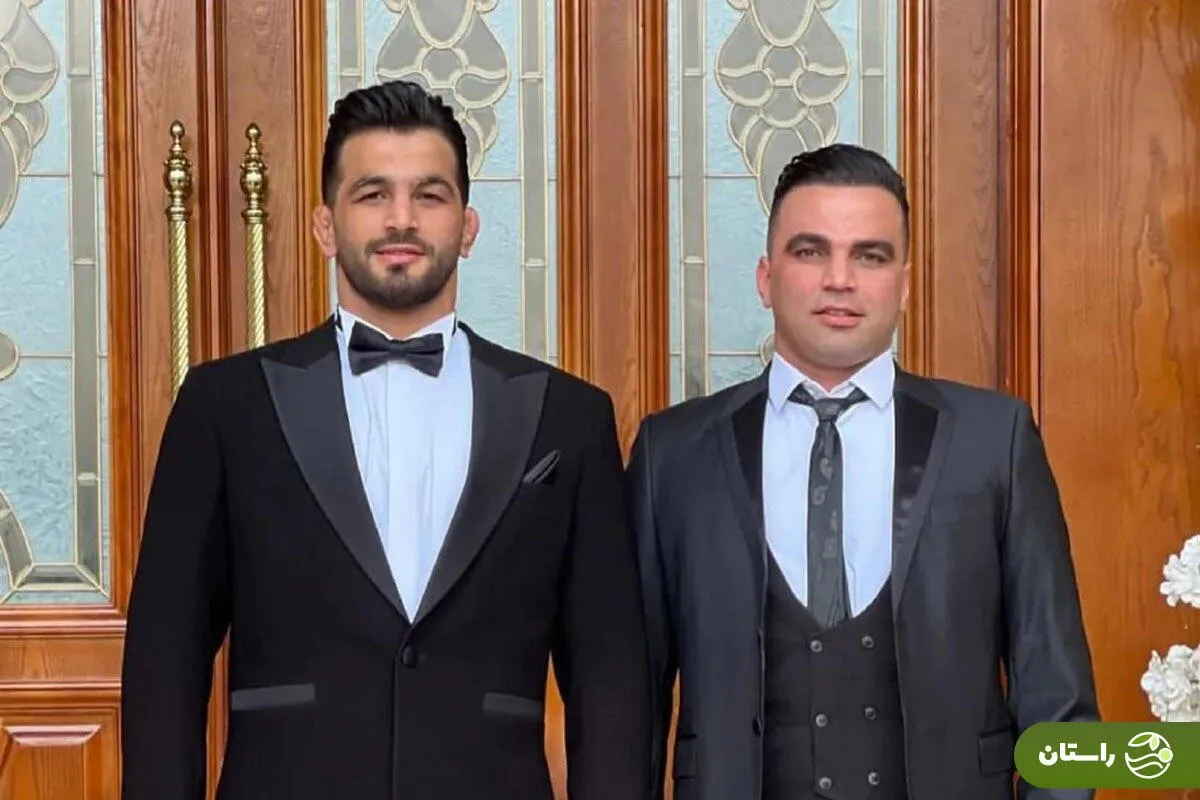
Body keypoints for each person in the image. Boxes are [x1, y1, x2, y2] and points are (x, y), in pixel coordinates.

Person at [121, 79, 652, 800]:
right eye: (373, 194)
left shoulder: (568, 418)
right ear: (325, 226)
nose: (402, 219)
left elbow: (610, 676)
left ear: (468, 226)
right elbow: (165, 659)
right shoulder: (225, 407)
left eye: (429, 195)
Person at [629, 143, 1098, 800]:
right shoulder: (672, 453)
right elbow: (632, 706)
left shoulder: (997, 440)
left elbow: (1060, 703)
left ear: (904, 284)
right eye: (810, 251)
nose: (840, 279)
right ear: (766, 276)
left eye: (869, 256)